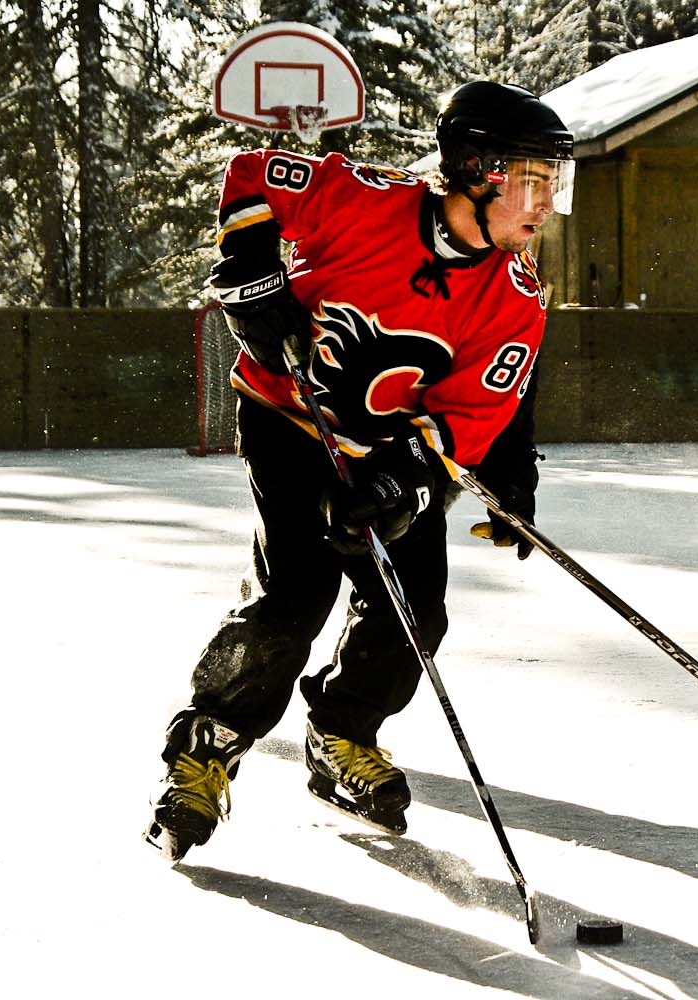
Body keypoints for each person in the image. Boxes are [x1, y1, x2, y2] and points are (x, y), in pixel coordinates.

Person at [144, 81, 575, 861]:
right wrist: (250, 270)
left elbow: (471, 416)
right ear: (477, 169)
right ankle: (205, 748)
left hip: (386, 444)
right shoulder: (362, 201)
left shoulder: (515, 299)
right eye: (535, 179)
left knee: (415, 610)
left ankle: (341, 731)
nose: (546, 203)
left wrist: (403, 481)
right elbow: (251, 174)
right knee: (297, 591)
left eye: (555, 182)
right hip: (288, 418)